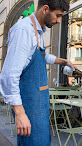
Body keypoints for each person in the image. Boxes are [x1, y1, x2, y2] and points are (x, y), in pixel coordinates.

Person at [0, 0, 75, 145]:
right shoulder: (24, 31)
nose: (59, 21)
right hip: (29, 107)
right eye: (58, 16)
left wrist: (64, 61)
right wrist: (20, 113)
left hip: (39, 106)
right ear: (45, 9)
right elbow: (8, 76)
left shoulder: (38, 30)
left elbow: (42, 56)